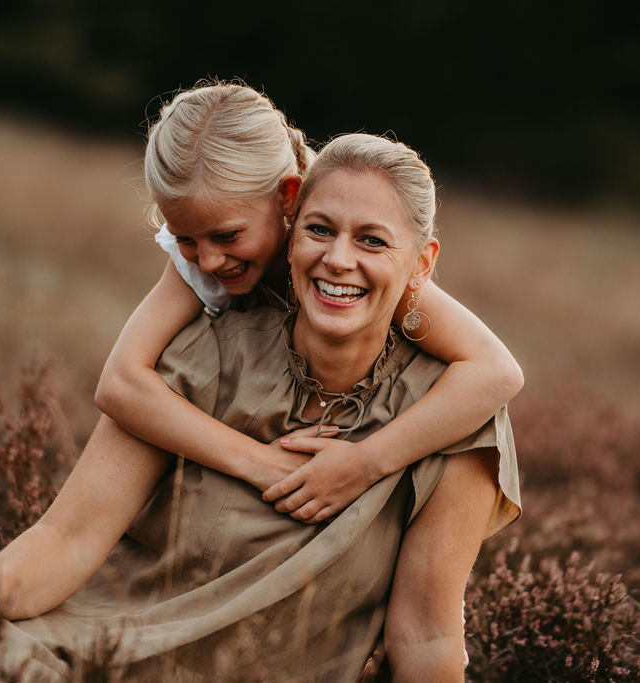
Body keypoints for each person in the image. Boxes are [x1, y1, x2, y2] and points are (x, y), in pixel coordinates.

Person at [0, 134, 520, 682]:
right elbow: (68, 537)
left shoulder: (450, 417)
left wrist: (367, 460)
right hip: (89, 652)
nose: (339, 259)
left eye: (372, 240)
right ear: (289, 228)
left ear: (421, 263)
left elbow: (426, 636)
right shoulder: (204, 355)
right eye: (319, 230)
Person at [94, 81, 523, 523]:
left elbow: (496, 371)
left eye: (227, 235)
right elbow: (120, 382)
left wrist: (365, 463)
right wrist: (257, 462)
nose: (206, 259)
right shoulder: (208, 255)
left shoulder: (346, 258)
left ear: (289, 198)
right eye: (185, 238)